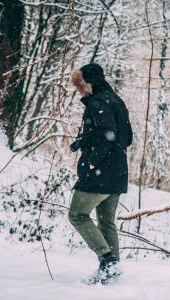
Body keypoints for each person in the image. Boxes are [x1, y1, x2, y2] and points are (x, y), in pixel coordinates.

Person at [68, 63, 133, 284]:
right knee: (106, 223)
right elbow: (126, 137)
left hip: (100, 174)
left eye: (79, 85)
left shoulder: (98, 102)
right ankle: (112, 271)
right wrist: (83, 141)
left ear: (88, 82)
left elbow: (107, 136)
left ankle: (108, 260)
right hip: (118, 173)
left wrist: (90, 164)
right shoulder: (116, 100)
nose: (79, 90)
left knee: (77, 214)